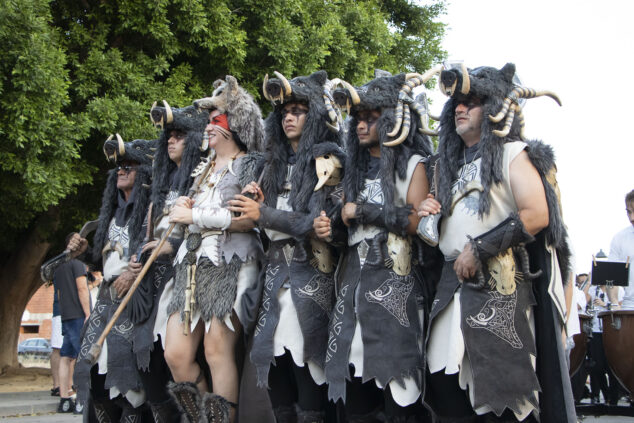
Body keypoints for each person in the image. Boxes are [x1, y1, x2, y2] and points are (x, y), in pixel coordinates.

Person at [419, 63, 574, 422]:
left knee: (504, 401)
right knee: (445, 390)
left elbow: (536, 214)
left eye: (471, 102)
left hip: (499, 289)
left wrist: (480, 247)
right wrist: (429, 213)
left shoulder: (513, 152)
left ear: (493, 107)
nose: (459, 108)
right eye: (456, 102)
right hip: (450, 289)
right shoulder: (446, 166)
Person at [319, 71, 433, 422]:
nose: (361, 124)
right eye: (358, 118)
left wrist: (363, 210)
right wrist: (331, 228)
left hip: (396, 283)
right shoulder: (351, 170)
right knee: (353, 389)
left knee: (398, 387)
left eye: (371, 117)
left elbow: (415, 221)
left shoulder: (414, 163)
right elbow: (347, 231)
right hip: (352, 285)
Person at [231, 70, 343, 423]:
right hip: (274, 279)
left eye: (299, 110)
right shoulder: (272, 166)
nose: (289, 117)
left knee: (307, 376)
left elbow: (316, 223)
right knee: (276, 378)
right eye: (284, 111)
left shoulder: (330, 159)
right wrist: (259, 207)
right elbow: (266, 227)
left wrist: (264, 213)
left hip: (313, 278)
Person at [162, 76, 265, 423]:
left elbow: (245, 221)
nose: (208, 127)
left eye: (216, 120)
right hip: (190, 265)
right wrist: (183, 208)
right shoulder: (202, 169)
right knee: (176, 354)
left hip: (230, 263)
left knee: (216, 349)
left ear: (235, 124)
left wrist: (194, 214)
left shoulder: (250, 164)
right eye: (209, 121)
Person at [128, 101, 208, 422]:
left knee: (183, 358)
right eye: (169, 136)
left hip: (188, 277)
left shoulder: (201, 176)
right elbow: (148, 231)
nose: (171, 140)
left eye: (180, 135)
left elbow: (207, 227)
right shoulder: (161, 184)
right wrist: (138, 258)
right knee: (153, 370)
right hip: (154, 282)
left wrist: (171, 246)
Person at [69, 135, 154, 422]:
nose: (121, 170)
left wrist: (136, 271)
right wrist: (84, 254)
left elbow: (161, 255)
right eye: (119, 165)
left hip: (136, 304)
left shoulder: (152, 211)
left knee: (128, 382)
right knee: (92, 375)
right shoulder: (111, 214)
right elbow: (104, 263)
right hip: (105, 303)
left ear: (143, 172)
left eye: (129, 165)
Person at [53, 238, 90, 413]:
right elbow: (82, 288)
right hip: (78, 314)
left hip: (65, 315)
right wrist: (88, 313)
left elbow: (59, 293)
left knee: (65, 356)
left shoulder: (58, 267)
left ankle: (64, 399)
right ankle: (80, 399)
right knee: (80, 357)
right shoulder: (78, 264)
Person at [607, 189, 634, 309]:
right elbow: (612, 277)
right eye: (629, 212)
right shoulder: (619, 238)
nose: (632, 217)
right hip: (629, 307)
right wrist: (614, 302)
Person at [50, 286, 63, 397]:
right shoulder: (61, 269)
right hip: (63, 311)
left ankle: (62, 385)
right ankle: (58, 385)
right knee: (58, 347)